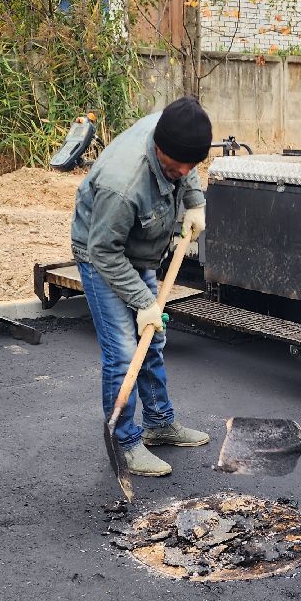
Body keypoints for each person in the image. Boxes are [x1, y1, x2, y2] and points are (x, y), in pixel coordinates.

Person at [71, 97, 212, 477]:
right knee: (123, 351)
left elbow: (187, 168)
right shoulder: (123, 184)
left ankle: (159, 423)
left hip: (140, 248)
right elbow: (103, 251)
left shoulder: (175, 134)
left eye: (191, 166)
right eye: (174, 166)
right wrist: (142, 301)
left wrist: (194, 202)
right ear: (158, 148)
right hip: (102, 253)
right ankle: (125, 443)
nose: (183, 171)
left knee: (153, 338)